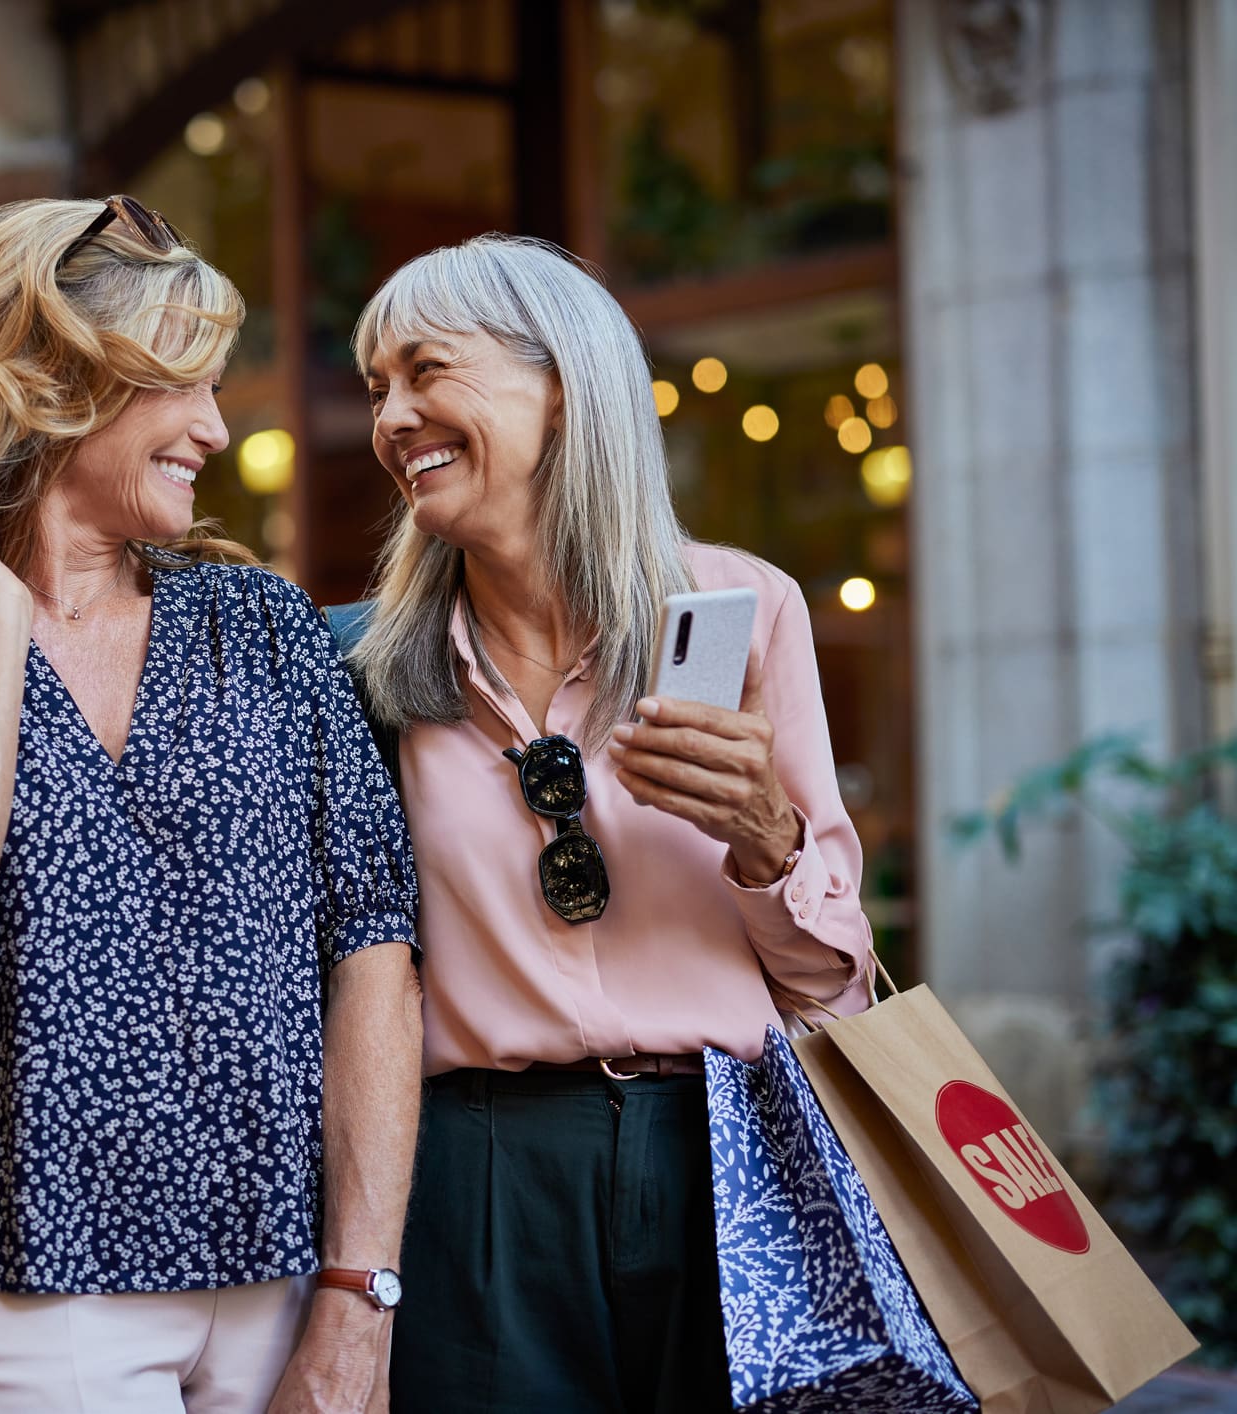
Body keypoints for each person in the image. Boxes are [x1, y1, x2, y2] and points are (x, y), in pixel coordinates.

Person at [0, 197, 423, 1414]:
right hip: (21, 1279)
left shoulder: (261, 626)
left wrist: (360, 1291)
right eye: (186, 388)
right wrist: (0, 633)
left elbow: (373, 960)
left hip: (282, 1281)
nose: (220, 432)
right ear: (57, 382)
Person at [329, 234, 876, 1414]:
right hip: (477, 1174)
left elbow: (832, 990)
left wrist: (769, 842)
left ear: (562, 386)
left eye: (426, 370)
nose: (393, 416)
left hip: (723, 1157)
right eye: (378, 387)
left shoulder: (740, 609)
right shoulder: (366, 672)